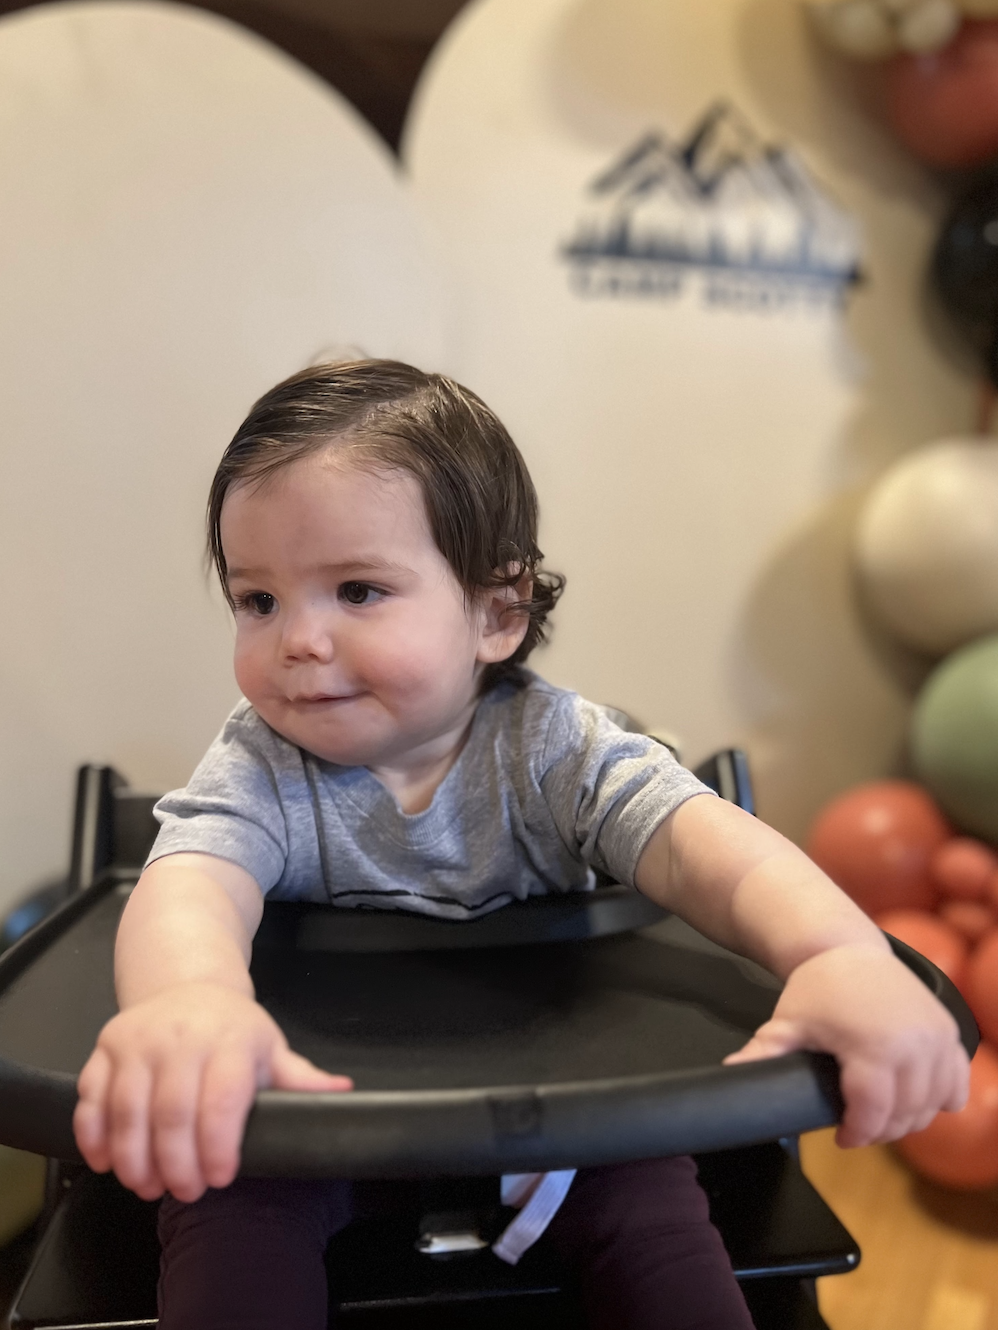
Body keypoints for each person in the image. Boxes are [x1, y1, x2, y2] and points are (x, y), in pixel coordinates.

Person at [73, 360, 969, 1330]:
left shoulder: (556, 750)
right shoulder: (261, 763)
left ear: (496, 612)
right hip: (309, 1118)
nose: (298, 638)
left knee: (653, 1214)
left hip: (557, 1117)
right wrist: (190, 1000)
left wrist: (836, 952)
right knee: (219, 1216)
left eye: (358, 590)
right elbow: (192, 882)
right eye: (258, 600)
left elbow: (708, 848)